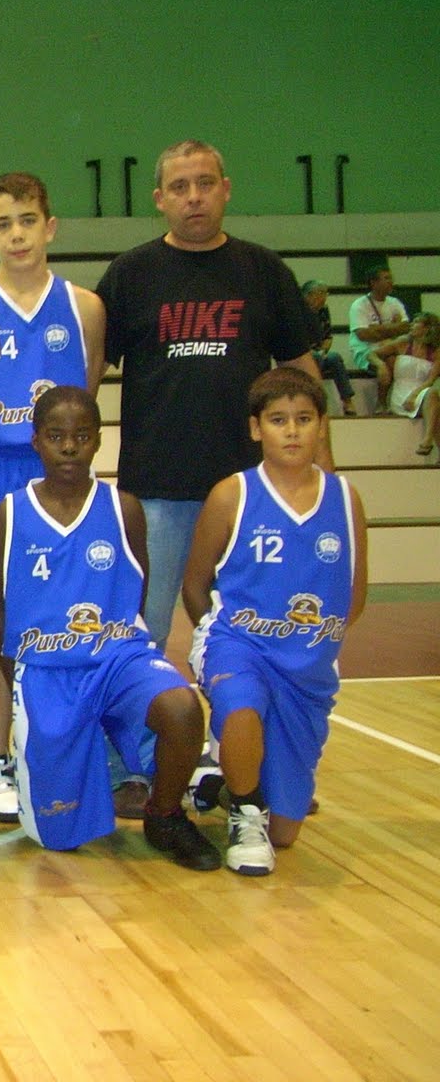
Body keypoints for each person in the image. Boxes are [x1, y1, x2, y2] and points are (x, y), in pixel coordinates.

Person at [94, 140, 326, 660]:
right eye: (179, 187)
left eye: (204, 184)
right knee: (142, 629)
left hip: (248, 489)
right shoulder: (130, 274)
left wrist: (322, 472)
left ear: (225, 189)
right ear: (160, 199)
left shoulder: (264, 271)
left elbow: (302, 375)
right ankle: (138, 718)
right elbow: (88, 374)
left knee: (248, 626)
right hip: (156, 487)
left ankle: (240, 715)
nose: (193, 197)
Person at [0, 386, 219, 869]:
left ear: (98, 440)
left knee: (181, 708)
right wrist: (19, 679)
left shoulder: (124, 508)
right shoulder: (12, 512)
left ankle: (165, 814)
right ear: (36, 441)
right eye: (56, 436)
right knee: (57, 838)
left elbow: (136, 591)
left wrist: (117, 650)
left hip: (116, 660)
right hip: (46, 671)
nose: (69, 447)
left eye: (82, 436)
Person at [0, 172, 104, 824]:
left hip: (64, 479)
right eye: (4, 224)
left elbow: (85, 401)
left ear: (50, 226)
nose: (17, 235)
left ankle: (59, 753)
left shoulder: (85, 308)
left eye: (28, 220)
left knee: (66, 618)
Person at [182, 367, 367, 875]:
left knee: (285, 833)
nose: (292, 431)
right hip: (237, 643)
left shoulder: (345, 499)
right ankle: (244, 811)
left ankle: (223, 779)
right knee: (242, 704)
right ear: (255, 428)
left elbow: (354, 595)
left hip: (307, 663)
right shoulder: (232, 494)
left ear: (322, 426)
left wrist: (306, 639)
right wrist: (220, 638)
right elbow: (195, 584)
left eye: (304, 419)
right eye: (278, 419)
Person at [347, 266, 410, 410]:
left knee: (397, 360)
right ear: (373, 283)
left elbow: (406, 328)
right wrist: (393, 328)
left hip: (390, 348)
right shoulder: (359, 305)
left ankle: (390, 403)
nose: (391, 281)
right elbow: (363, 335)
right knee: (390, 361)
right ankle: (382, 404)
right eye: (386, 278)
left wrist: (377, 329)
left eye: (391, 278)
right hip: (366, 350)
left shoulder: (395, 302)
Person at [300, 280, 359, 416]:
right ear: (311, 295)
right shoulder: (297, 312)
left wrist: (323, 350)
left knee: (334, 358)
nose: (325, 297)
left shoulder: (323, 310)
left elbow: (328, 337)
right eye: (323, 293)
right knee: (316, 357)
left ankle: (347, 401)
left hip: (318, 351)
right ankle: (316, 401)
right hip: (301, 354)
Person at [388, 311, 440, 456]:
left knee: (432, 394)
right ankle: (429, 443)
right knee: (435, 405)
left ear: (427, 328)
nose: (412, 324)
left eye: (416, 322)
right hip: (400, 392)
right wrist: (380, 365)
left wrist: (413, 395)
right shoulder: (403, 343)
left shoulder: (436, 352)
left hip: (421, 390)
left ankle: (427, 440)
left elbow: (430, 380)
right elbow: (372, 354)